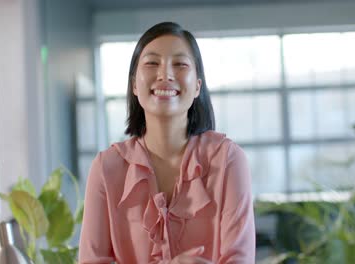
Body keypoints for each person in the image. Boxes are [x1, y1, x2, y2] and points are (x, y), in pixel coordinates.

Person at [79, 21, 255, 264]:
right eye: (152, 63)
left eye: (180, 64)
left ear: (197, 87)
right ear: (134, 86)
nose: (166, 75)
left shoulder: (229, 160)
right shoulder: (106, 168)